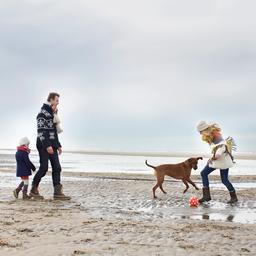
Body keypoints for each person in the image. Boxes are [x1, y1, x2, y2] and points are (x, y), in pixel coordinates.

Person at [30, 92, 70, 200]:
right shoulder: (42, 113)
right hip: (43, 144)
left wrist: (58, 145)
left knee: (57, 167)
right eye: (57, 100)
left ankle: (57, 193)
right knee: (44, 168)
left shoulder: (53, 113)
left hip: (53, 145)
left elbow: (54, 132)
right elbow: (41, 131)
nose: (58, 103)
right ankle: (34, 189)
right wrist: (47, 146)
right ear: (51, 100)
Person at [196, 121, 238, 204]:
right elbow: (214, 149)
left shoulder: (219, 140)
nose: (201, 134)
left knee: (225, 180)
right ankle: (206, 196)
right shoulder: (210, 136)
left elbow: (218, 153)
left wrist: (213, 158)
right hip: (216, 162)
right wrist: (212, 157)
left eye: (201, 132)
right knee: (203, 173)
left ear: (205, 130)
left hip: (223, 162)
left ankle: (234, 197)